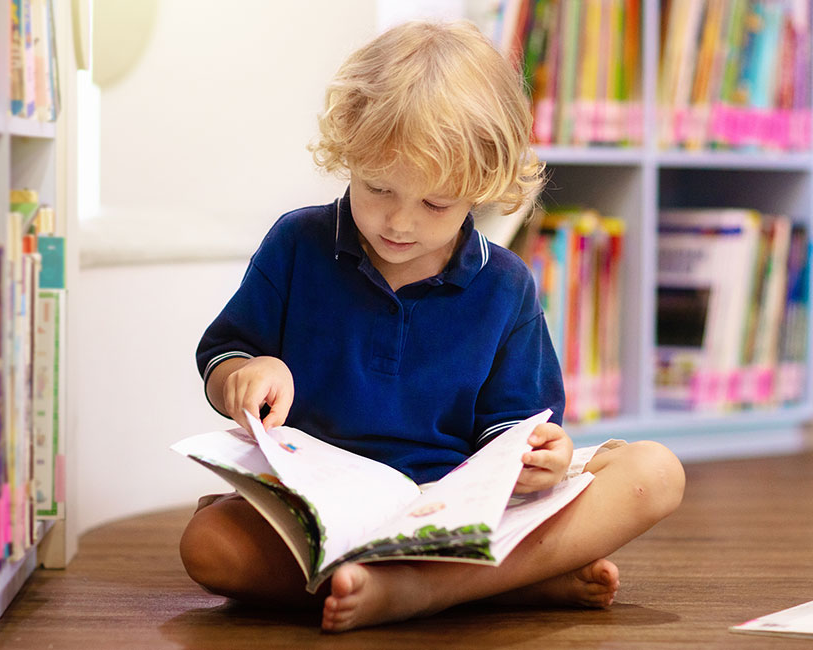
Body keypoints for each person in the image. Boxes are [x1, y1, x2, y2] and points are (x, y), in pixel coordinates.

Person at [179, 19, 685, 633]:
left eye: (435, 204)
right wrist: (244, 374)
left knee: (655, 472)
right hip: (322, 508)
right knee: (209, 545)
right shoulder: (298, 243)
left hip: (456, 511)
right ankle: (497, 585)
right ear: (349, 154)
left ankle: (420, 588)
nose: (398, 221)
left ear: (482, 187)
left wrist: (539, 459)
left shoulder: (506, 285)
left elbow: (517, 433)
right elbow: (225, 355)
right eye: (377, 187)